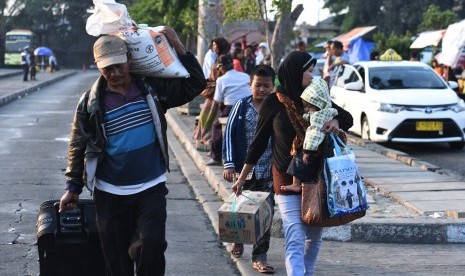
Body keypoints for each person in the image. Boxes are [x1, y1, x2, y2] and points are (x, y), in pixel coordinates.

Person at [58, 27, 206, 276]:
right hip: (109, 193)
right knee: (117, 265)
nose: (114, 73)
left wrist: (177, 46)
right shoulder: (90, 103)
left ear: (129, 59)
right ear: (98, 67)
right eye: (107, 69)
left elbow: (195, 84)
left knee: (152, 245)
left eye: (119, 65)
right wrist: (72, 188)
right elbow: (77, 143)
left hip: (150, 187)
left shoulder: (152, 89)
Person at [231, 51, 353, 276]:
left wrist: (335, 120)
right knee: (295, 233)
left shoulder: (314, 97)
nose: (312, 75)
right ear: (295, 72)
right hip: (285, 176)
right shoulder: (273, 102)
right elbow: (257, 144)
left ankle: (307, 272)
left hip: (315, 176)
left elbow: (348, 117)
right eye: (308, 71)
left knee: (314, 236)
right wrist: (241, 178)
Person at [222, 64, 275, 273]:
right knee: (242, 209)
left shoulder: (277, 107)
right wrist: (229, 164)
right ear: (249, 85)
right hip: (245, 170)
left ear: (273, 86)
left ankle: (259, 256)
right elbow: (229, 133)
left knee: (266, 213)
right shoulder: (241, 106)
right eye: (258, 85)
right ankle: (238, 240)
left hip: (268, 170)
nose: (262, 89)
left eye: (266, 86)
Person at [284, 78, 338, 193]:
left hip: (314, 147)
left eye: (309, 106)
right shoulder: (326, 111)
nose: (306, 109)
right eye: (305, 106)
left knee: (298, 159)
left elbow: (313, 133)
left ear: (318, 103)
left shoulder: (317, 116)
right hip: (324, 147)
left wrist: (307, 151)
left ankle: (295, 184)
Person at [206, 54, 251, 165]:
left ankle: (216, 157)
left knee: (216, 127)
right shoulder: (245, 76)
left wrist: (211, 118)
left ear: (221, 67)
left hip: (231, 109)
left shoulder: (221, 80)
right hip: (249, 107)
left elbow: (217, 101)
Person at [193, 37, 230, 149]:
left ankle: (210, 142)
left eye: (216, 45)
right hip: (212, 95)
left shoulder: (224, 59)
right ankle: (206, 141)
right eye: (213, 45)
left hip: (218, 95)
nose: (214, 47)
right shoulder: (216, 58)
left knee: (211, 119)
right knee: (206, 118)